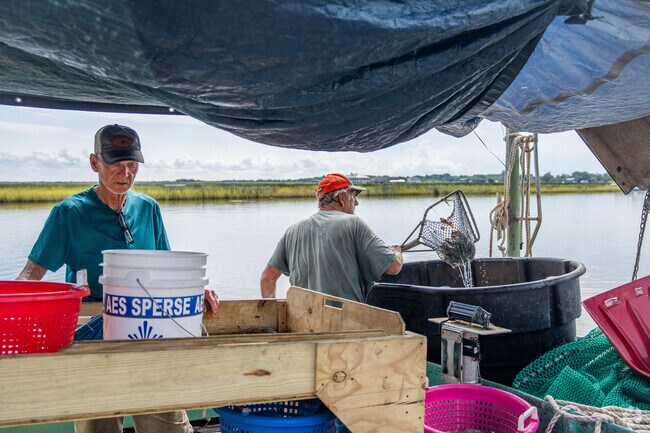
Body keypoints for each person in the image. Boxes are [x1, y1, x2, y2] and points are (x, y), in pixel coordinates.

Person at [17, 124, 219, 433]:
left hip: (151, 335)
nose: (125, 173)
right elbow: (32, 274)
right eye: (115, 164)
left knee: (167, 426)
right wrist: (13, 308)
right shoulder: (69, 213)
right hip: (92, 337)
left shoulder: (148, 208)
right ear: (95, 163)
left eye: (132, 165)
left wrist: (197, 289)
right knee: (97, 428)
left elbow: (168, 267)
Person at [260, 172, 403, 302]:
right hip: (343, 323)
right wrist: (397, 252)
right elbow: (394, 267)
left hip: (302, 321)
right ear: (341, 197)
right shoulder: (353, 223)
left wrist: (274, 314)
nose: (357, 202)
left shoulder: (292, 231)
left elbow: (267, 279)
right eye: (353, 196)